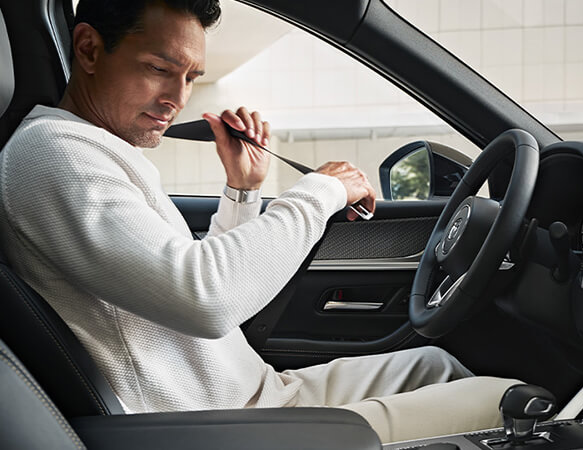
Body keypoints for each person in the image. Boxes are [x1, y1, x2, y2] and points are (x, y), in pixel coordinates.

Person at [0, 0, 520, 443]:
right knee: (513, 404)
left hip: (250, 397)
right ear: (88, 49)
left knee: (436, 366)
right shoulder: (55, 153)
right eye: (159, 68)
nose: (177, 98)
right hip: (209, 429)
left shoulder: (92, 149)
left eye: (190, 77)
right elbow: (203, 297)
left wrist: (243, 190)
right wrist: (322, 190)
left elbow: (203, 297)